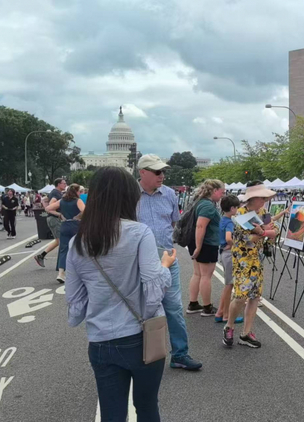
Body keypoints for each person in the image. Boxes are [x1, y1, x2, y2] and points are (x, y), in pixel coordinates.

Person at [65, 166, 176, 422]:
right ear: (128, 197)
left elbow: (75, 301)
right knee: (147, 406)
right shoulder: (138, 232)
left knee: (112, 413)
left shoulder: (78, 242)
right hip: (141, 336)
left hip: (101, 338)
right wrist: (165, 267)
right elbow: (153, 286)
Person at [136, 154, 202, 371]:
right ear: (142, 172)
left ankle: (180, 354)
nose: (162, 176)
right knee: (139, 309)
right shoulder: (130, 196)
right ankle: (138, 355)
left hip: (167, 258)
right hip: (139, 262)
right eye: (157, 172)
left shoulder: (170, 194)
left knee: (173, 308)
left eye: (163, 171)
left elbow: (174, 223)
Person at [223, 182, 279, 349]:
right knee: (240, 295)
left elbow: (275, 232)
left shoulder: (263, 212)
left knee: (254, 296)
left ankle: (246, 332)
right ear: (253, 198)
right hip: (242, 259)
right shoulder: (240, 214)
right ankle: (229, 326)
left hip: (256, 258)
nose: (264, 200)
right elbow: (247, 239)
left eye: (265, 197)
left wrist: (261, 232)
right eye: (262, 197)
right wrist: (263, 232)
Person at [186, 179, 225, 317]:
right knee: (206, 276)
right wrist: (198, 247)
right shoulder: (208, 206)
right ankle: (207, 307)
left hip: (198, 242)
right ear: (214, 190)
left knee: (197, 274)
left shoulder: (199, 201)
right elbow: (201, 225)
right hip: (206, 243)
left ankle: (193, 303)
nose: (222, 195)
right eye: (222, 192)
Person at [45, 184, 85, 284]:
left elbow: (48, 208)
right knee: (79, 248)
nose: (80, 193)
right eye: (79, 191)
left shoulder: (62, 201)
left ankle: (61, 273)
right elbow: (85, 210)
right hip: (76, 226)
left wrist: (59, 214)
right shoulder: (77, 201)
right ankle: (79, 272)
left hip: (64, 225)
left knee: (63, 250)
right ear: (76, 191)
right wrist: (78, 216)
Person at [214, 195, 242, 324]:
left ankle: (221, 312)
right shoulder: (230, 222)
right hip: (229, 253)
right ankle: (226, 314)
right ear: (232, 208)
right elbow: (229, 237)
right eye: (237, 207)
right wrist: (234, 244)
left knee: (228, 284)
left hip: (223, 252)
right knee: (229, 284)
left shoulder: (222, 219)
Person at [34, 178, 66, 268]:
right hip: (54, 219)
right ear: (58, 184)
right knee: (62, 242)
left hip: (54, 219)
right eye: (64, 183)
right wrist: (59, 214)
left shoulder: (56, 192)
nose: (65, 185)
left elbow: (44, 199)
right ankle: (62, 265)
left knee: (58, 241)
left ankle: (41, 256)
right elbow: (51, 206)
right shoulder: (56, 193)